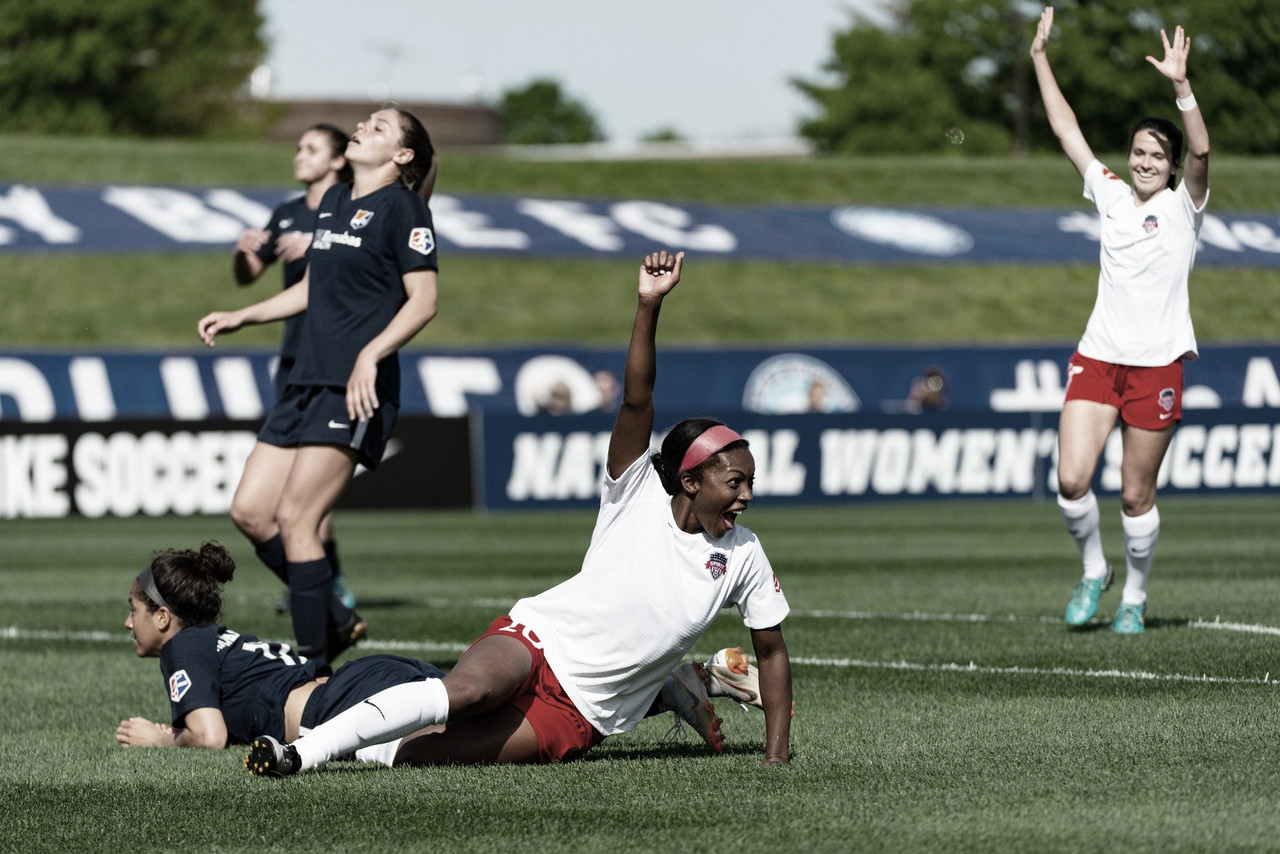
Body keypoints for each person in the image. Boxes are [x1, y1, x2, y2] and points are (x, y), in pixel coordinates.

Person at [242, 250, 794, 776]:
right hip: (539, 638)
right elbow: (636, 401)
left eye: (751, 482)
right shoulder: (637, 491)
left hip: (581, 714)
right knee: (465, 694)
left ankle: (681, 684)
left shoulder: (744, 554)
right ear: (691, 481)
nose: (747, 495)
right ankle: (300, 753)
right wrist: (649, 304)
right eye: (735, 481)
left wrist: (775, 756)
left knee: (427, 756)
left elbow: (770, 654)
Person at [198, 107, 440, 664]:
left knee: (298, 522)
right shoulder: (334, 202)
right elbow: (310, 288)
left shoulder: (404, 208)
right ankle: (333, 617)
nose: (363, 127)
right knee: (251, 513)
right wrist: (243, 315)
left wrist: (371, 355)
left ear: (402, 156)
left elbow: (424, 302)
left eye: (380, 128)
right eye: (366, 121)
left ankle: (311, 673)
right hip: (304, 383)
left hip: (353, 388)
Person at [1030, 7, 1209, 633]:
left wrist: (1181, 87)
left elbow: (1204, 148)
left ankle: (1133, 598)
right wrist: (1040, 59)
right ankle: (1092, 570)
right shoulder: (1108, 193)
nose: (1144, 162)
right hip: (1099, 355)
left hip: (1157, 362)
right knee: (1071, 479)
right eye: (1138, 151)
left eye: (1157, 154)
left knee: (1136, 493)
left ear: (1171, 163)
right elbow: (1065, 129)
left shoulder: (1185, 206)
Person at [115, 542, 445, 753]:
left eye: (133, 609)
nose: (128, 623)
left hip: (341, 705)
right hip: (362, 680)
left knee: (468, 739)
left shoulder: (182, 645)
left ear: (161, 617)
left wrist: (160, 739)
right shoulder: (214, 640)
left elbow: (209, 737)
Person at [232, 123, 357, 616]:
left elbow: (364, 268)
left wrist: (319, 249)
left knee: (304, 493)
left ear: (336, 160)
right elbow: (249, 277)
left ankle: (328, 585)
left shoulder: (351, 209)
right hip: (293, 362)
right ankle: (320, 584)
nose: (298, 156)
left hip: (339, 363)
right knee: (281, 495)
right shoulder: (286, 212)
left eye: (310, 149)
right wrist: (243, 252)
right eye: (297, 148)